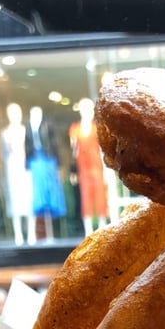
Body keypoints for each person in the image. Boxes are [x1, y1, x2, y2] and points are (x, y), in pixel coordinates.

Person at [25, 106, 66, 242]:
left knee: (49, 191)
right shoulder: (29, 127)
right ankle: (39, 233)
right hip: (35, 160)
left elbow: (53, 143)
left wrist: (57, 161)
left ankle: (50, 233)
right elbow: (27, 145)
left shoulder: (47, 125)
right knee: (38, 193)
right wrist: (27, 164)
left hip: (47, 160)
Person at [69, 97, 109, 235]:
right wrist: (72, 170)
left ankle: (102, 228)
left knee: (100, 196)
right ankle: (88, 231)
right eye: (85, 109)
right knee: (86, 197)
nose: (89, 112)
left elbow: (103, 149)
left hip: (97, 167)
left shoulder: (97, 127)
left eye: (90, 109)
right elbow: (74, 152)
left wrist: (107, 170)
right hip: (83, 168)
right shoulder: (75, 129)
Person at [0, 103, 36, 245]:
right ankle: (18, 234)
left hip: (25, 168)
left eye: (17, 112)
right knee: (15, 200)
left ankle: (31, 233)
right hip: (12, 168)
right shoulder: (5, 133)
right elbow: (3, 154)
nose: (14, 116)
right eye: (11, 113)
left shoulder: (25, 131)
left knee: (28, 198)